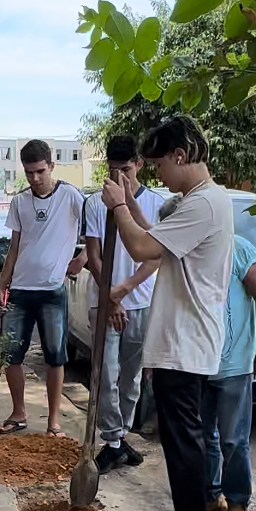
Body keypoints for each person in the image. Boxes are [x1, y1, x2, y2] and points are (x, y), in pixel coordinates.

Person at [100, 116, 233, 511]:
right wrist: (131, 205)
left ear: (180, 156)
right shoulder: (198, 201)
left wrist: (119, 205)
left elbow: (140, 249)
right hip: (184, 338)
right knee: (183, 439)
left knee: (183, 442)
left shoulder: (204, 205)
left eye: (159, 165)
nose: (157, 175)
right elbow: (153, 237)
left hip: (185, 340)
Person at [0, 140, 86, 438]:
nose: (34, 178)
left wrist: (82, 258)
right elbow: (15, 245)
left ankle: (54, 421)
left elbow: (96, 232)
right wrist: (2, 281)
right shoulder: (20, 202)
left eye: (39, 171)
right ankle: (19, 412)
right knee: (11, 354)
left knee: (55, 356)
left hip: (52, 291)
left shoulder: (71, 196)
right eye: (29, 172)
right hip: (20, 289)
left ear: (51, 166)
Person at [83, 134, 163, 473]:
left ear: (140, 165)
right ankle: (113, 439)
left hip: (141, 301)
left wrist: (125, 289)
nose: (120, 178)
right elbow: (94, 255)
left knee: (131, 379)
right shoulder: (94, 204)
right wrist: (111, 297)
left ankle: (119, 437)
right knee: (106, 374)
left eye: (126, 170)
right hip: (103, 302)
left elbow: (157, 256)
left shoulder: (157, 204)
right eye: (114, 170)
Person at [195, 215, 256, 511]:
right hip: (199, 364)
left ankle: (238, 504)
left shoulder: (240, 250)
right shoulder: (192, 250)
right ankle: (210, 496)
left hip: (233, 365)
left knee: (233, 439)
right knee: (202, 436)